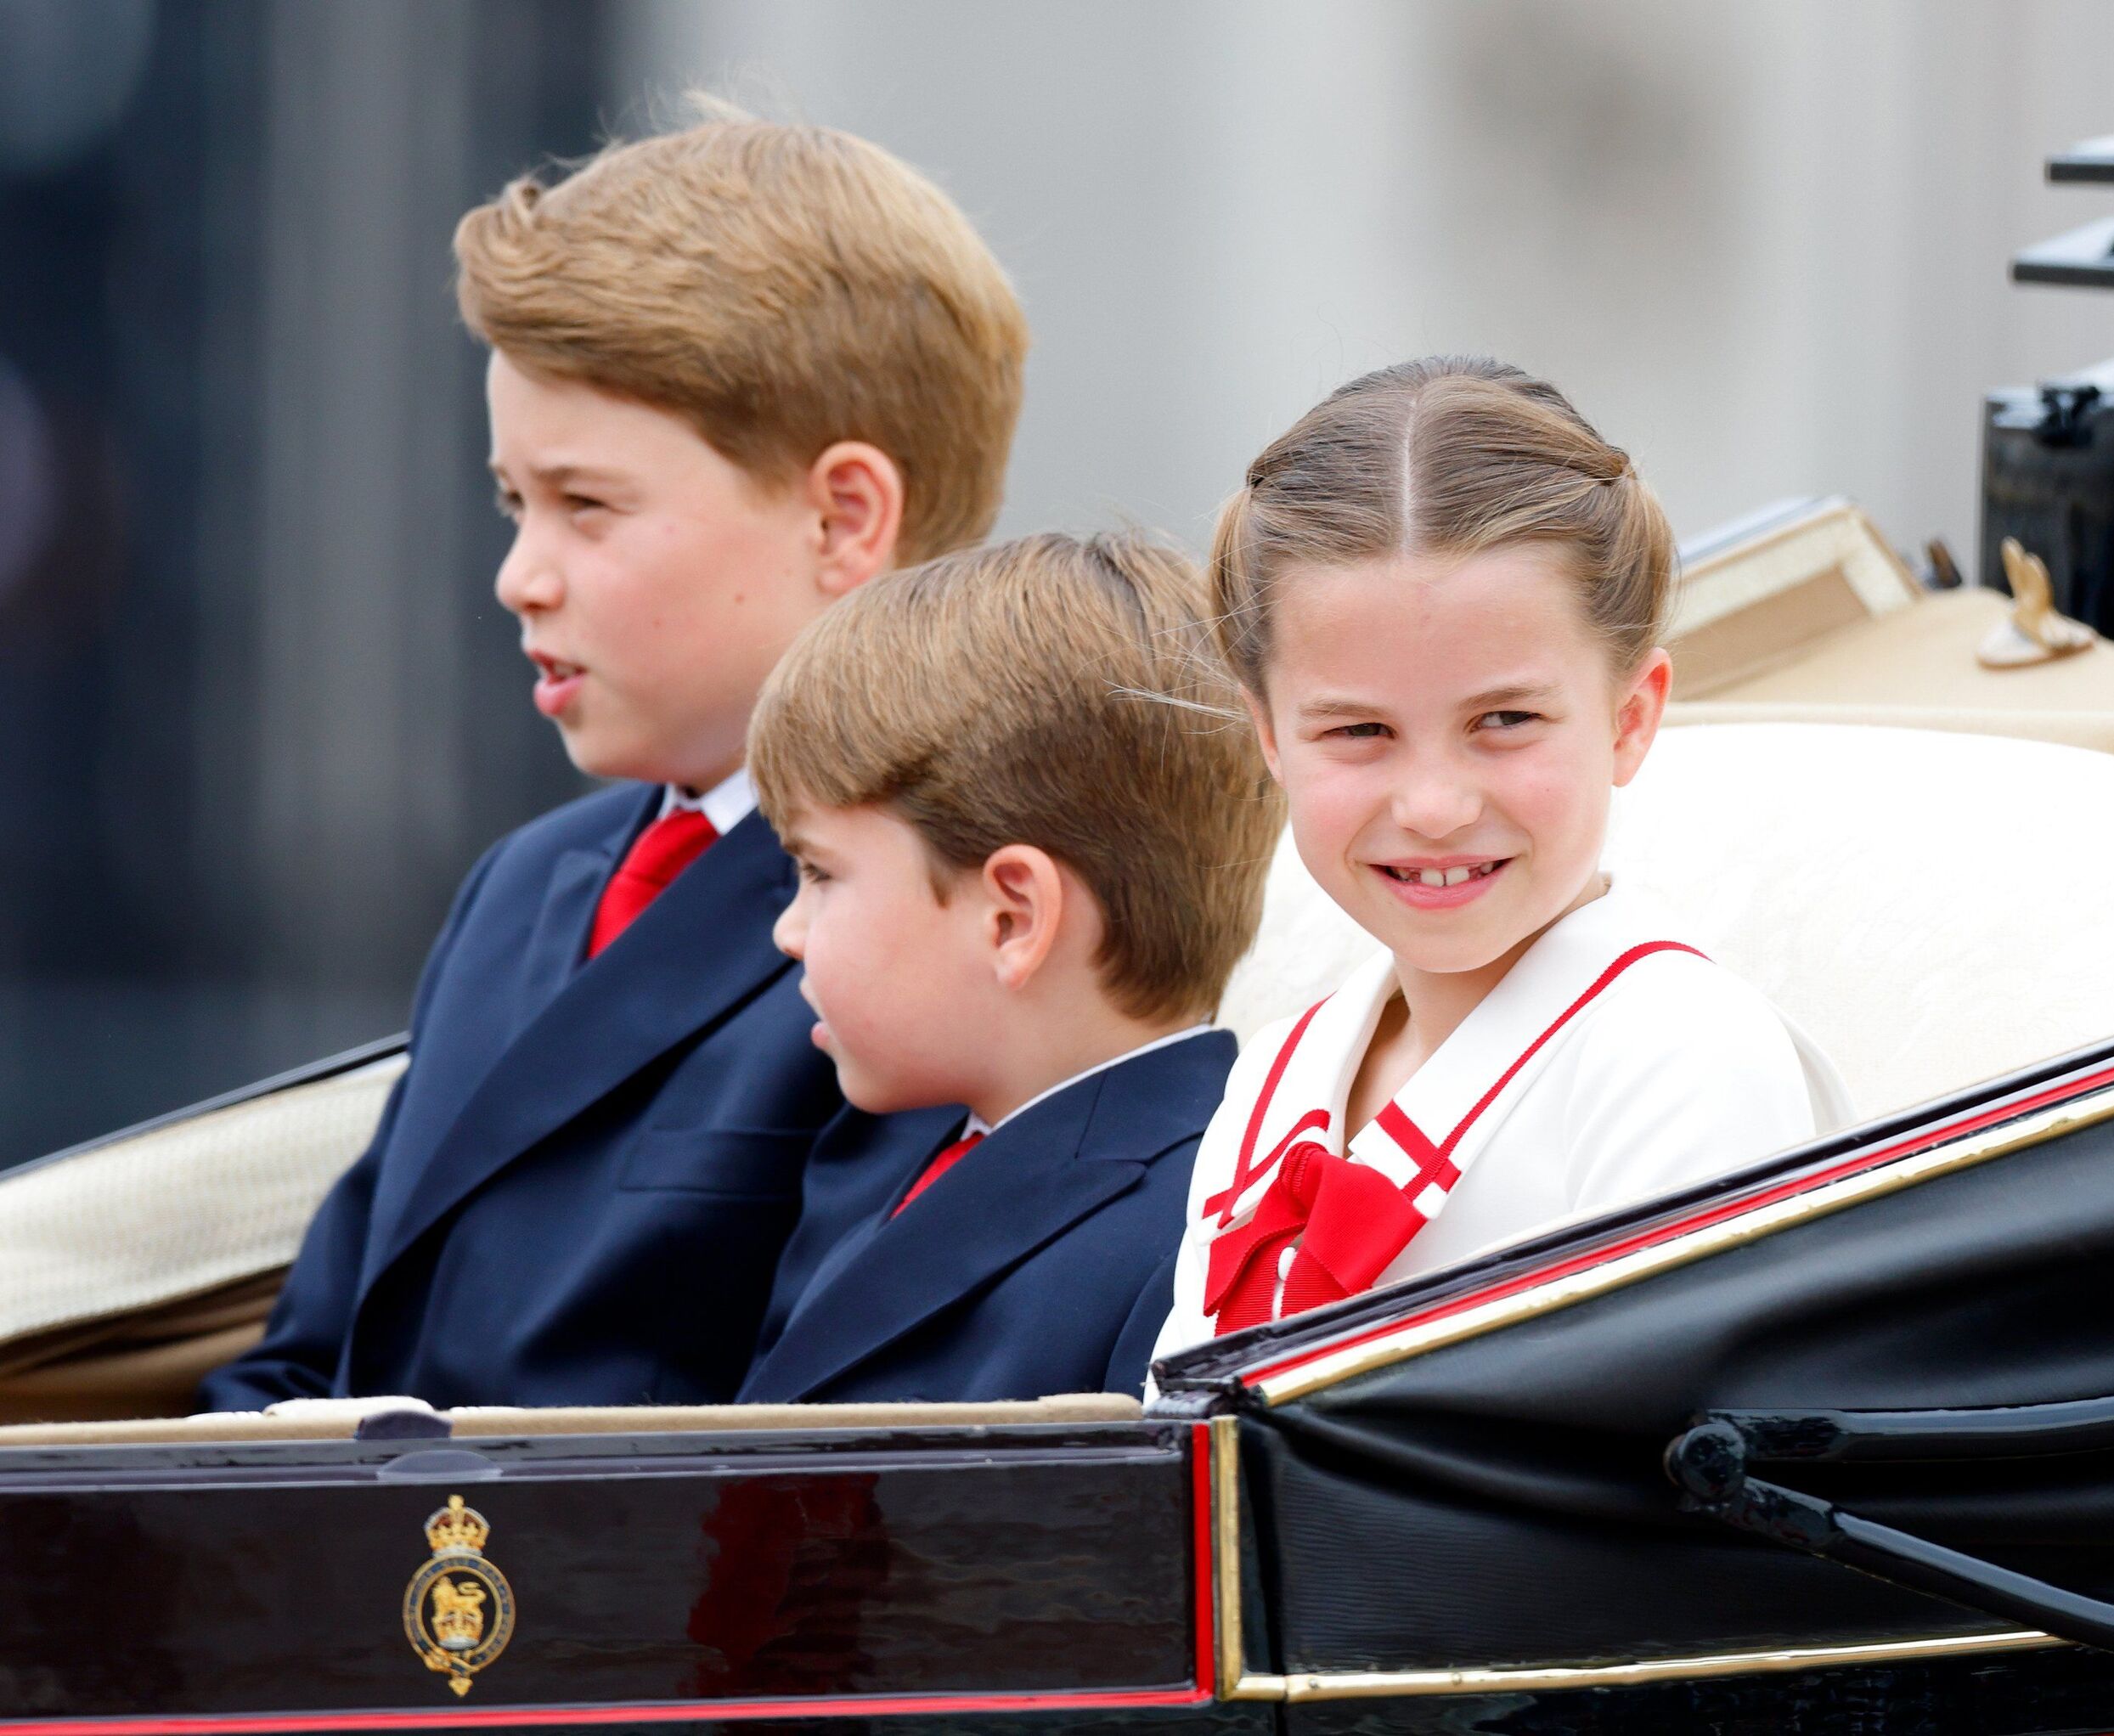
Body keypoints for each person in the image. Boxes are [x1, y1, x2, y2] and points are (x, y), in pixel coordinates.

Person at [198, 111, 1030, 1412]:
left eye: (588, 506)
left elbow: (818, 1450)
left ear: (845, 515)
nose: (520, 576)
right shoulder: (530, 884)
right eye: (513, 503)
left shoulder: (966, 918)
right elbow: (320, 1356)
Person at [1153, 356, 1852, 1361]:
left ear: (1628, 716)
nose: (1434, 806)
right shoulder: (1273, 1077)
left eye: (1505, 720)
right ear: (1268, 736)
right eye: (1358, 732)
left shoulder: (1681, 1059)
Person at [733, 533, 1282, 1405]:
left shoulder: (1194, 1242)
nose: (788, 932)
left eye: (820, 873)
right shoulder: (882, 1153)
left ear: (1012, 917)